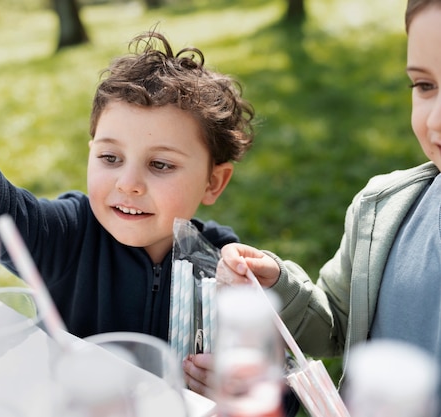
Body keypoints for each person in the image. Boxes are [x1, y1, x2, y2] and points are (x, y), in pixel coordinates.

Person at [0, 30, 303, 412]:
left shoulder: (224, 268)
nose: (128, 183)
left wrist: (248, 390)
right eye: (109, 158)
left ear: (213, 182)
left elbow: (280, 383)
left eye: (160, 165)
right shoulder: (67, 234)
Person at [184, 0, 441, 399]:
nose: (435, 118)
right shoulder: (385, 212)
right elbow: (336, 325)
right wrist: (279, 289)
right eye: (425, 86)